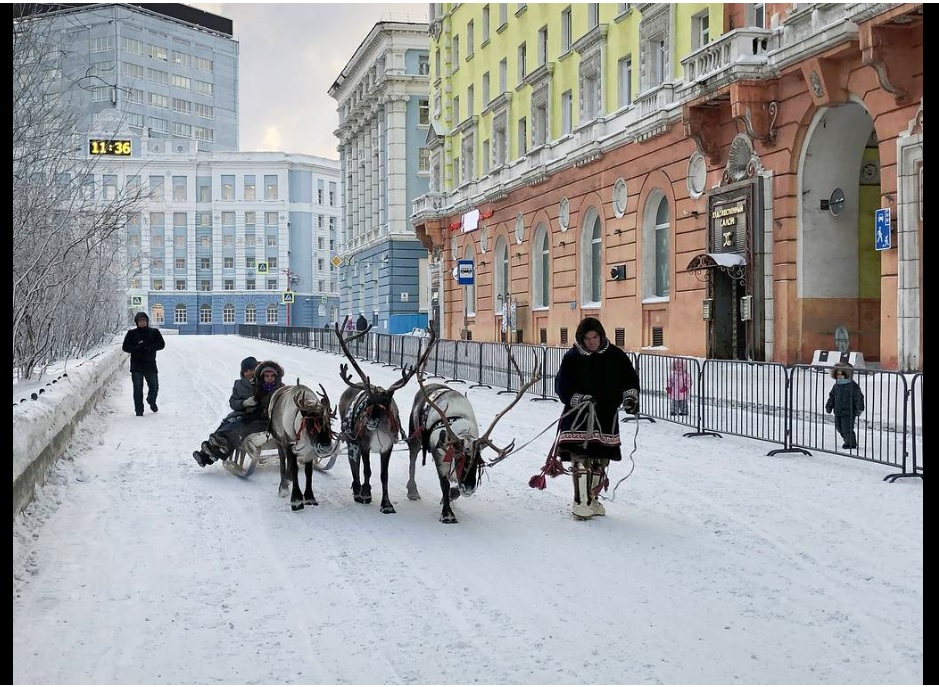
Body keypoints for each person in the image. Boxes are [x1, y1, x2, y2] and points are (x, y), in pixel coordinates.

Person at [552, 316, 641, 520]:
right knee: (581, 458)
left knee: (601, 459)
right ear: (581, 339)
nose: (592, 342)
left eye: (595, 337)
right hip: (579, 416)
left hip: (606, 416)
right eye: (587, 338)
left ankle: (593, 498)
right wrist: (579, 398)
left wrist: (630, 398)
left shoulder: (616, 355)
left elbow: (629, 379)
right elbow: (562, 385)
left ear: (601, 336)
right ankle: (580, 501)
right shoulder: (572, 357)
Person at [192, 359, 285, 467]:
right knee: (227, 424)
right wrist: (244, 403)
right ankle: (206, 455)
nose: (249, 373)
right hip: (242, 413)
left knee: (236, 429)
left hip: (257, 417)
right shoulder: (240, 384)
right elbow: (233, 402)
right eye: (246, 371)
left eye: (252, 370)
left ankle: (212, 452)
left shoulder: (262, 383)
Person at [121, 311, 166, 416]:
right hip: (137, 365)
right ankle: (139, 410)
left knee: (154, 386)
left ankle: (151, 400)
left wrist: (150, 347)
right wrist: (137, 347)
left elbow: (161, 344)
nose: (142, 322)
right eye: (140, 321)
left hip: (150, 364)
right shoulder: (131, 333)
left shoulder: (154, 332)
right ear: (137, 322)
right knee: (137, 388)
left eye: (144, 321)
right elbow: (125, 347)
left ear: (147, 321)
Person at [825, 362, 865, 450]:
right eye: (837, 374)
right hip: (838, 411)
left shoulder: (852, 385)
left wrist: (859, 408)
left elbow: (858, 397)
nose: (839, 376)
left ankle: (851, 443)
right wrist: (829, 406)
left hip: (848, 412)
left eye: (841, 374)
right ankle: (847, 440)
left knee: (847, 428)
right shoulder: (836, 386)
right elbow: (832, 397)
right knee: (839, 428)